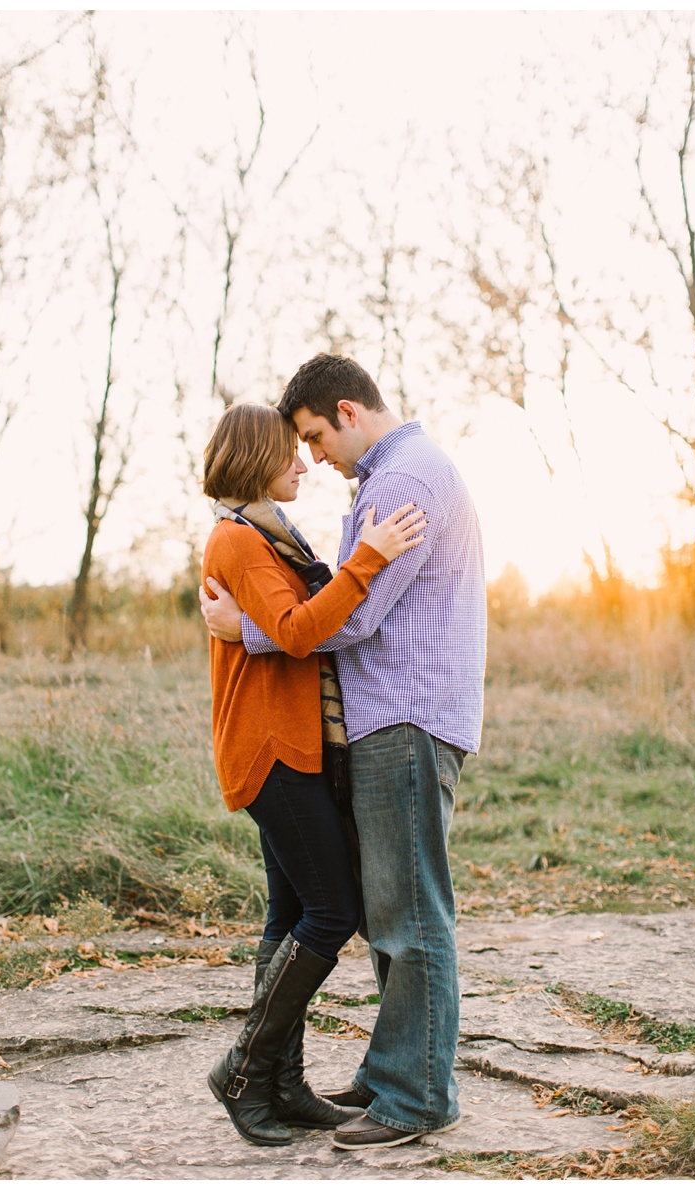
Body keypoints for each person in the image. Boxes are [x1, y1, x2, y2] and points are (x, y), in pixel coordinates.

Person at [200, 354, 487, 1151]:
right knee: (375, 908)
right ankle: (384, 1072)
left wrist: (244, 632)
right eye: (299, 445)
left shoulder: (401, 483)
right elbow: (327, 602)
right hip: (379, 722)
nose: (315, 457)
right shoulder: (374, 485)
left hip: (404, 716)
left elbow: (346, 621)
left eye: (318, 437)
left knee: (405, 910)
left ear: (351, 411)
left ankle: (415, 1094)